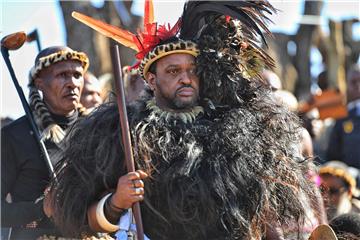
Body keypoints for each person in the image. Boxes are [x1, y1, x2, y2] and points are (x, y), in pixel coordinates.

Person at [50, 1, 320, 239]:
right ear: (152, 80)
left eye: (192, 70)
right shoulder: (117, 131)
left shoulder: (235, 128)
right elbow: (76, 215)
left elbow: (261, 211)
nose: (186, 78)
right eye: (174, 70)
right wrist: (116, 203)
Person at [1, 46, 89, 239]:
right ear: (40, 83)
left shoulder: (96, 131)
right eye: (62, 75)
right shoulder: (14, 136)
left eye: (77, 74)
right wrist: (41, 208)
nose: (72, 83)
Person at [327, 64, 360, 169]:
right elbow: (333, 153)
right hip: (348, 178)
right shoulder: (341, 117)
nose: (358, 85)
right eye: (353, 82)